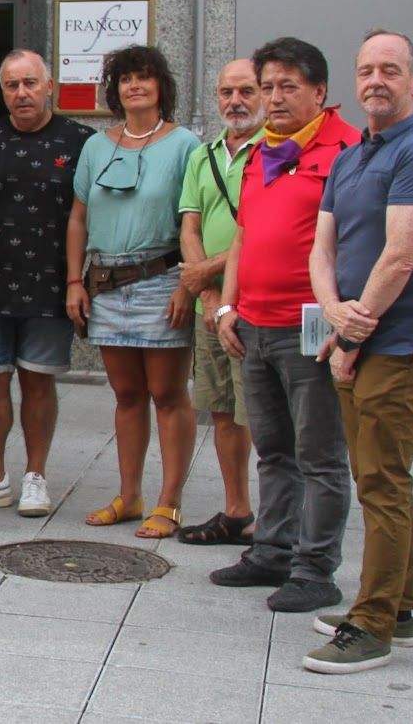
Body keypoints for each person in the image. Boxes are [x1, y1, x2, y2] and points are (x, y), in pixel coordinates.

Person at [303, 29, 413, 675]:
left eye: (390, 70)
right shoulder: (351, 157)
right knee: (381, 478)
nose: (376, 81)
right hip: (358, 338)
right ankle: (398, 607)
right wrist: (335, 317)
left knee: (382, 480)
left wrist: (351, 331)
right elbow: (321, 248)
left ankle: (372, 625)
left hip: (401, 341)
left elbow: (402, 254)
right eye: (366, 70)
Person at [210, 37, 360, 613]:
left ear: (319, 93)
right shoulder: (264, 151)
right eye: (266, 85)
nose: (272, 97)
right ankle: (272, 551)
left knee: (320, 453)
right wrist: (229, 307)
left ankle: (315, 567)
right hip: (255, 323)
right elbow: (244, 236)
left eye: (286, 86)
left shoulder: (346, 150)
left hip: (313, 324)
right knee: (273, 449)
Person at [0, 50, 94, 517]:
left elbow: (87, 213)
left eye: (30, 83)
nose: (22, 93)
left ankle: (35, 476)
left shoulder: (81, 143)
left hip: (50, 287)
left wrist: (78, 279)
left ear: (49, 86)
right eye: (12, 85)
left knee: (38, 383)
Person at [65, 45, 200, 538]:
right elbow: (78, 217)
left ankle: (169, 501)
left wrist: (188, 282)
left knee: (167, 393)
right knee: (125, 395)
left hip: (161, 278)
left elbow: (194, 221)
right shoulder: (97, 146)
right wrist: (74, 281)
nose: (135, 86)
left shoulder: (186, 145)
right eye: (125, 79)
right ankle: (129, 494)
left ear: (162, 86)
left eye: (145, 77)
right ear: (114, 90)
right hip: (104, 282)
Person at [175, 58, 264, 545]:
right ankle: (237, 511)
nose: (236, 101)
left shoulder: (274, 155)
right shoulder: (203, 155)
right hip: (212, 308)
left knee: (263, 415)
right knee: (224, 411)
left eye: (247, 91)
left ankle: (277, 522)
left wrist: (206, 273)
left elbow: (261, 234)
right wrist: (208, 294)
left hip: (256, 304)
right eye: (227, 92)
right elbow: (189, 225)